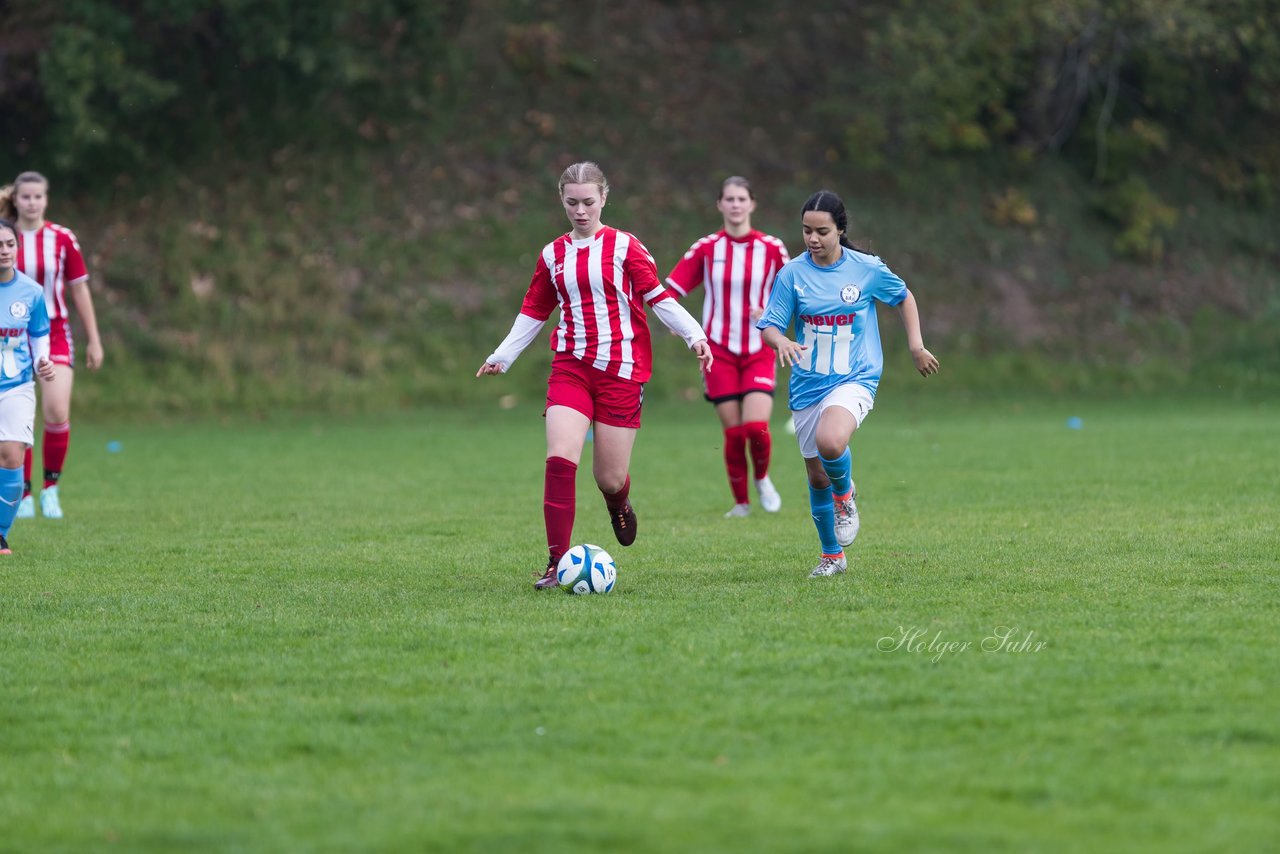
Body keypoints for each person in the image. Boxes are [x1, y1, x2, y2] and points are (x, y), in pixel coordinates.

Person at [477, 161, 713, 589]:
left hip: (622, 371)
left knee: (608, 476)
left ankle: (618, 501)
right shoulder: (553, 254)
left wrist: (694, 335)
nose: (581, 211)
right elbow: (534, 309)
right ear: (562, 201)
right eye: (572, 203)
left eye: (589, 202)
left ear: (604, 198)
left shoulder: (625, 247)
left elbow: (657, 297)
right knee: (560, 457)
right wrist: (503, 355)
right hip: (570, 366)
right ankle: (555, 562)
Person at [756, 190, 939, 578]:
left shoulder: (866, 269)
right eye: (806, 230)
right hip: (808, 383)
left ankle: (846, 496)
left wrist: (917, 346)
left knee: (831, 441)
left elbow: (904, 297)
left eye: (821, 230)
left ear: (840, 229)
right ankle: (832, 557)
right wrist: (783, 340)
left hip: (856, 377)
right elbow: (770, 325)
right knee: (816, 475)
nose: (812, 239)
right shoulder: (792, 274)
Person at [666, 177, 790, 518]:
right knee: (733, 433)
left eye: (741, 199)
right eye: (729, 199)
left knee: (756, 428)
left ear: (752, 204)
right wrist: (678, 324)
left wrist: (771, 314)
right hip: (717, 350)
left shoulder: (772, 247)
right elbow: (669, 293)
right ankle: (741, 503)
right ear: (720, 205)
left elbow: (793, 294)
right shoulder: (706, 248)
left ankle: (762, 478)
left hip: (759, 349)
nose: (735, 205)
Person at [0, 171, 104, 520]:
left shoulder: (62, 238)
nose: (31, 202)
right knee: (20, 413)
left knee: (57, 410)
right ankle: (24, 492)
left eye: (38, 197)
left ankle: (50, 489)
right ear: (16, 199)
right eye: (25, 196)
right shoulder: (5, 238)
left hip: (54, 332)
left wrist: (94, 339)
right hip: (11, 337)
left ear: (46, 199)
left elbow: (78, 289)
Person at [0, 219, 58, 553]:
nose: (4, 251)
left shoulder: (31, 292)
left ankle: (1, 533)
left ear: (17, 249)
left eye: (9, 244)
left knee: (11, 455)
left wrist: (41, 362)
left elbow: (38, 335)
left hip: (16, 386)